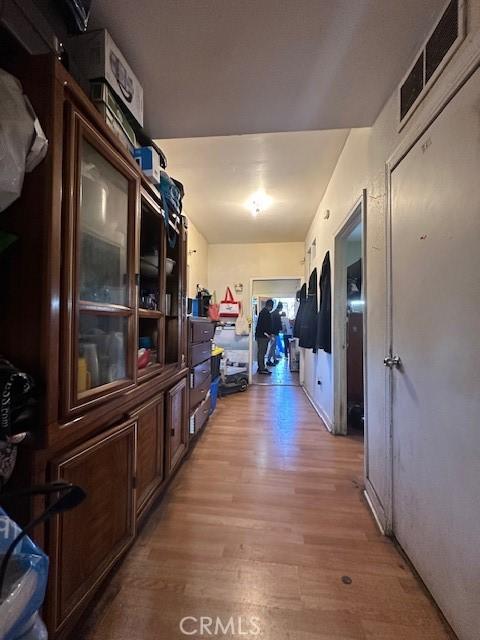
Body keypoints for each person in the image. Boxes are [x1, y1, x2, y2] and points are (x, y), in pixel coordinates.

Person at [255, 299, 274, 374]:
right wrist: (269, 334)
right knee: (262, 352)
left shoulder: (262, 312)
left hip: (260, 335)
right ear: (271, 306)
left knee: (261, 352)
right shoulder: (266, 313)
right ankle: (261, 368)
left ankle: (261, 367)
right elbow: (266, 326)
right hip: (262, 336)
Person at [267, 301, 283, 366]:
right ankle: (268, 360)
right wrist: (281, 329)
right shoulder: (277, 314)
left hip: (271, 332)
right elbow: (279, 324)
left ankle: (274, 359)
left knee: (273, 346)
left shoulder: (272, 313)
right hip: (274, 332)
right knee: (273, 347)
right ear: (281, 308)